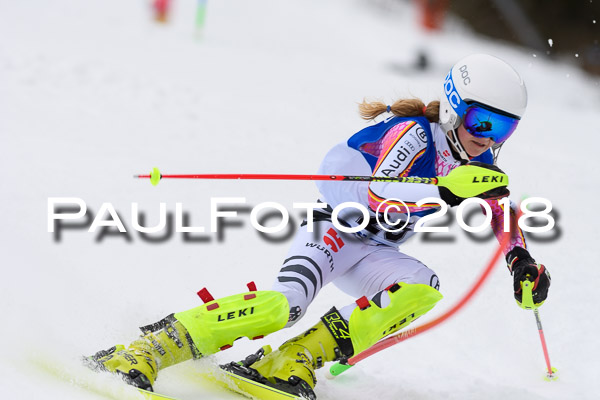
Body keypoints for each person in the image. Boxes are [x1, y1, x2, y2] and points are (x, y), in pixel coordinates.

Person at [88, 54, 551, 399]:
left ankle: (292, 360)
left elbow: (500, 209)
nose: (487, 138)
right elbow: (380, 195)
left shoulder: (480, 158)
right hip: (333, 232)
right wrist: (445, 192)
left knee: (421, 287)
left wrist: (520, 259)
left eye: (503, 129)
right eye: (481, 120)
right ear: (453, 106)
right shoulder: (411, 132)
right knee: (283, 306)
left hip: (374, 251)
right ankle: (145, 350)